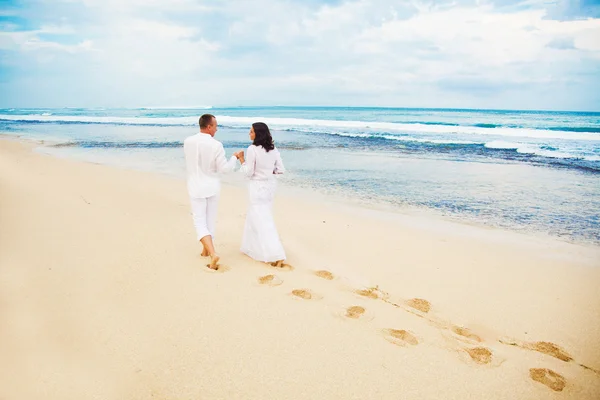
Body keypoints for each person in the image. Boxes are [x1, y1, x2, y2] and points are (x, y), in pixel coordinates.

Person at [183, 114, 241, 269]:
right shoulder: (216, 145)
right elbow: (224, 169)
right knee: (209, 221)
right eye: (215, 126)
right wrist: (234, 158)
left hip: (195, 186)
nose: (216, 129)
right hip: (212, 186)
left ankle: (208, 252)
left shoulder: (188, 142)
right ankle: (211, 252)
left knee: (199, 221)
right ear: (208, 127)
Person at [237, 122, 286, 267]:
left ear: (257, 134)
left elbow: (248, 172)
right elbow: (280, 169)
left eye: (251, 131)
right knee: (258, 216)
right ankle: (251, 248)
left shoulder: (252, 149)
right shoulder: (273, 149)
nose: (249, 133)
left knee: (262, 219)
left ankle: (275, 253)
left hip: (257, 187)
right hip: (269, 186)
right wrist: (267, 172)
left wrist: (241, 160)